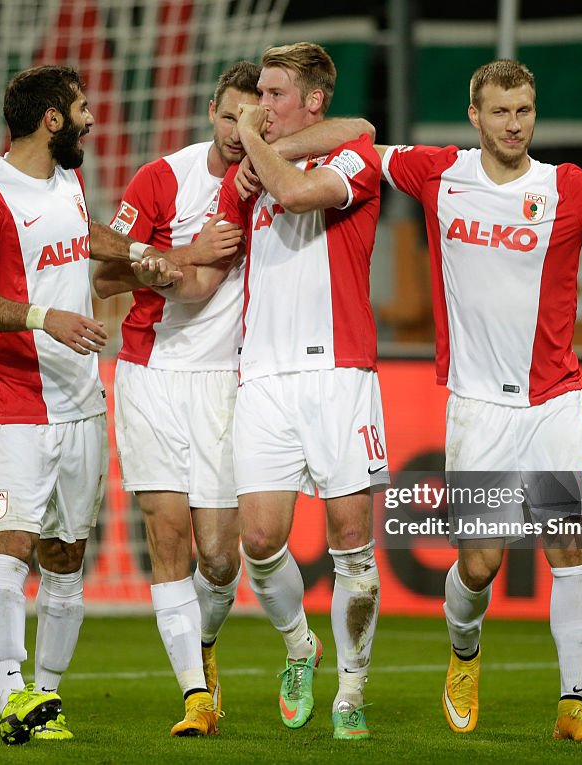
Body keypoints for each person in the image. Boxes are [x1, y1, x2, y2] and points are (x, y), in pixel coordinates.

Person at [377, 59, 582, 742]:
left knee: (569, 548)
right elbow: (358, 160)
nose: (514, 124)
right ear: (475, 117)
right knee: (479, 564)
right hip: (479, 407)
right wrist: (287, 133)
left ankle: (573, 704)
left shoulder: (567, 187)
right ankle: (462, 653)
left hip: (554, 400)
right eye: (501, 111)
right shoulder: (436, 172)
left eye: (524, 111)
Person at [92, 60, 374, 737]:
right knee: (169, 539)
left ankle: (223, 644)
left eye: (258, 113)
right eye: (231, 115)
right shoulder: (166, 177)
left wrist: (259, 146)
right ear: (212, 107)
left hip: (231, 383)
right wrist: (175, 256)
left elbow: (360, 126)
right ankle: (196, 689)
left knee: (222, 556)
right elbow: (110, 275)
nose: (239, 128)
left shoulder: (263, 173)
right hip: (152, 374)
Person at [217, 42, 388, 741]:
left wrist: (257, 141)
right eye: (258, 93)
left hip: (339, 374)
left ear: (314, 100)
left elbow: (321, 167)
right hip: (262, 375)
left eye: (276, 94)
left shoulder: (353, 164)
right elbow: (254, 184)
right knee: (257, 539)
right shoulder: (249, 172)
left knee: (353, 547)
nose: (260, 106)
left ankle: (352, 688)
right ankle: (298, 645)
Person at [0, 65, 109, 746]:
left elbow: (86, 237)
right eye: (82, 107)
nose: (91, 117)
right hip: (14, 404)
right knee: (11, 549)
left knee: (66, 554)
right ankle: (12, 693)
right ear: (51, 119)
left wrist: (156, 256)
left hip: (83, 403)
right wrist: (47, 317)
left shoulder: (69, 182)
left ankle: (49, 697)